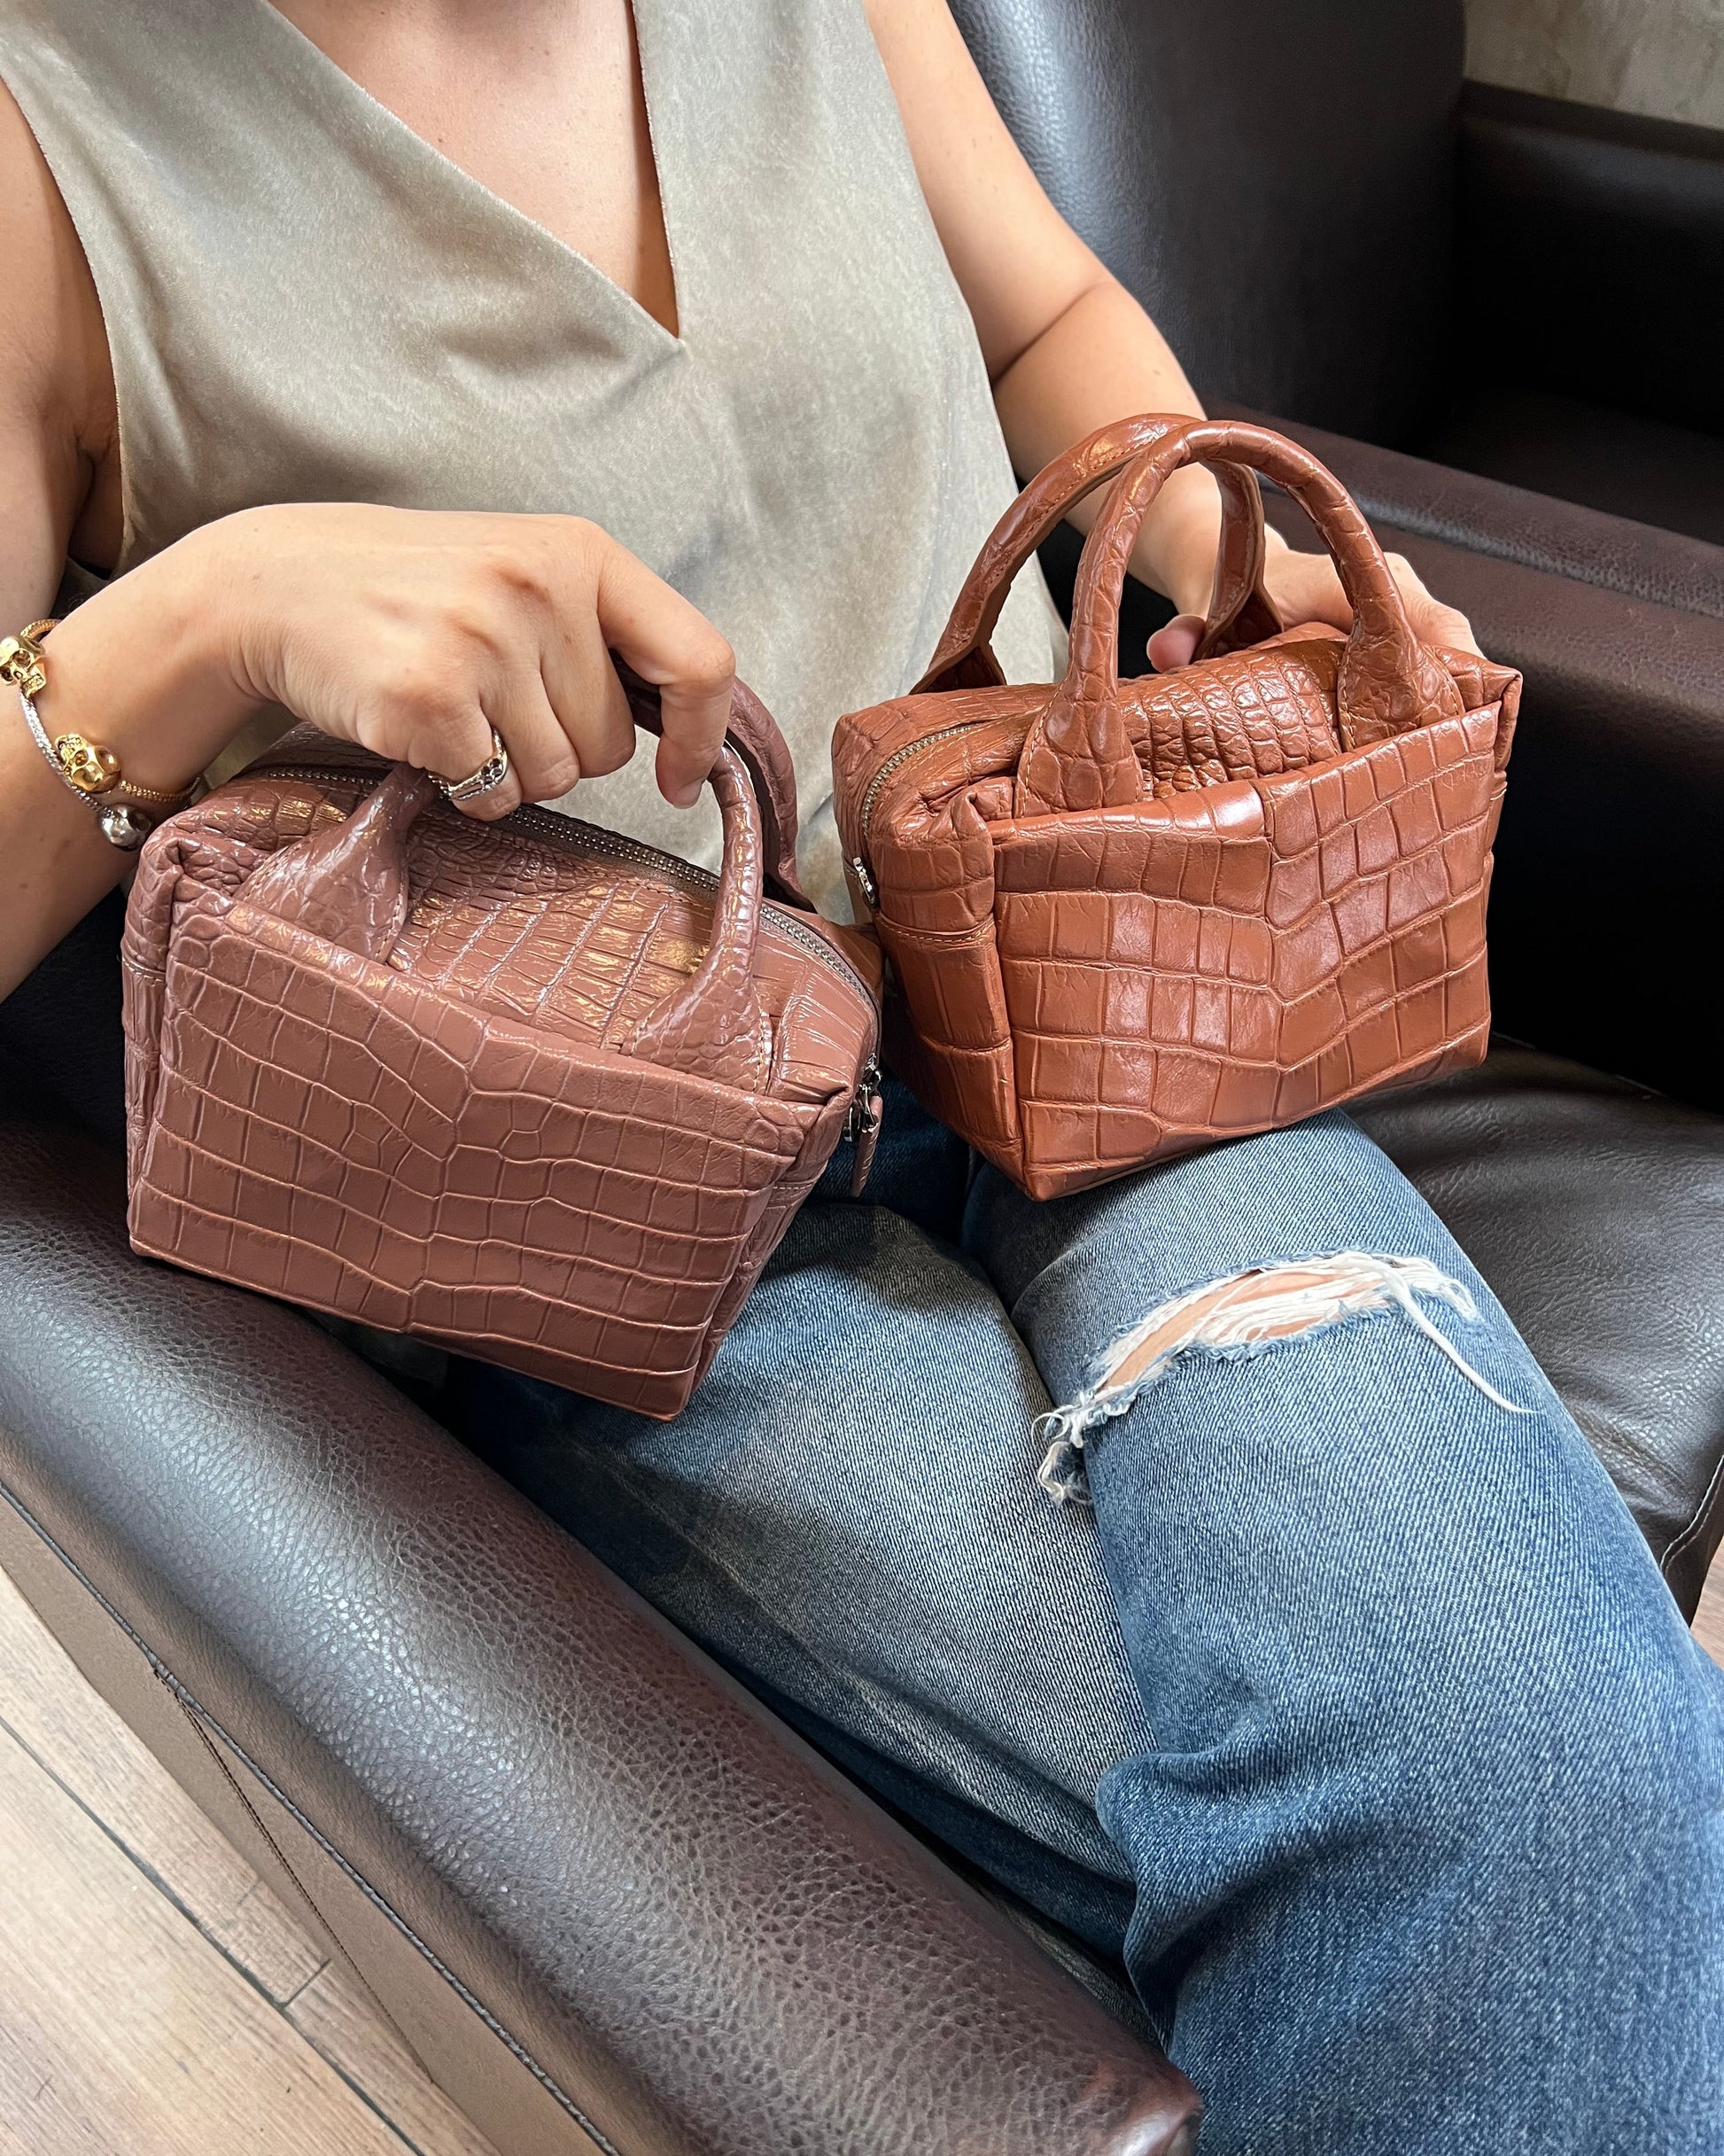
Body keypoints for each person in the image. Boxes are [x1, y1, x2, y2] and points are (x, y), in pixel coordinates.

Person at [0, 2, 1717, 2146]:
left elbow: (1044, 315)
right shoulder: (51, 140)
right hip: (647, 1230)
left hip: (1077, 997)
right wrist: (202, 622)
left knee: (1545, 1739)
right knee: (1464, 1812)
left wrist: (1220, 536)